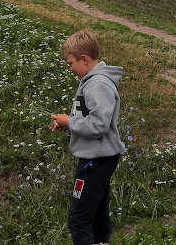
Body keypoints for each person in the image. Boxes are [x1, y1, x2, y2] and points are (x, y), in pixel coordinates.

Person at [50, 30, 126, 245]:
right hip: (99, 157)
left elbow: (99, 125)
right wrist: (67, 124)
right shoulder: (91, 81)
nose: (70, 69)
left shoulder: (97, 84)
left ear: (84, 59)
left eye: (70, 63)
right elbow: (90, 117)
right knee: (98, 217)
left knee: (78, 220)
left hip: (95, 161)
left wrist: (70, 122)